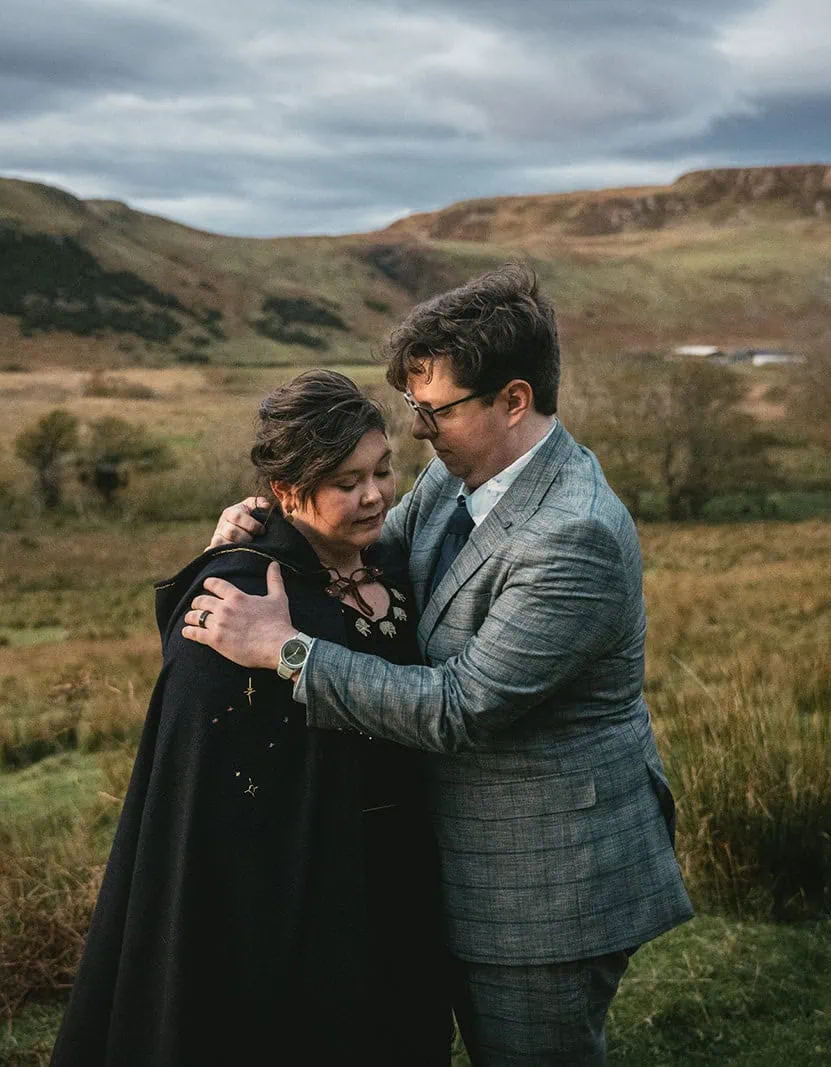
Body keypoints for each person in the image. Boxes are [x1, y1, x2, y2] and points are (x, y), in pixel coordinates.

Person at [189, 264, 693, 1066]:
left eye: (438, 410)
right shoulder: (462, 480)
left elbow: (461, 706)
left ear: (513, 400)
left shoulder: (573, 534)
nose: (420, 431)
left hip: (544, 886)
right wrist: (266, 534)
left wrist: (284, 650)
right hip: (458, 867)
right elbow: (365, 554)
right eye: (415, 409)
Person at [49, 370, 452, 1067]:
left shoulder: (394, 561)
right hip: (300, 892)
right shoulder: (240, 593)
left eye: (383, 470)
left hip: (403, 876)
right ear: (288, 490)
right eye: (347, 481)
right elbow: (212, 788)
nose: (375, 495)